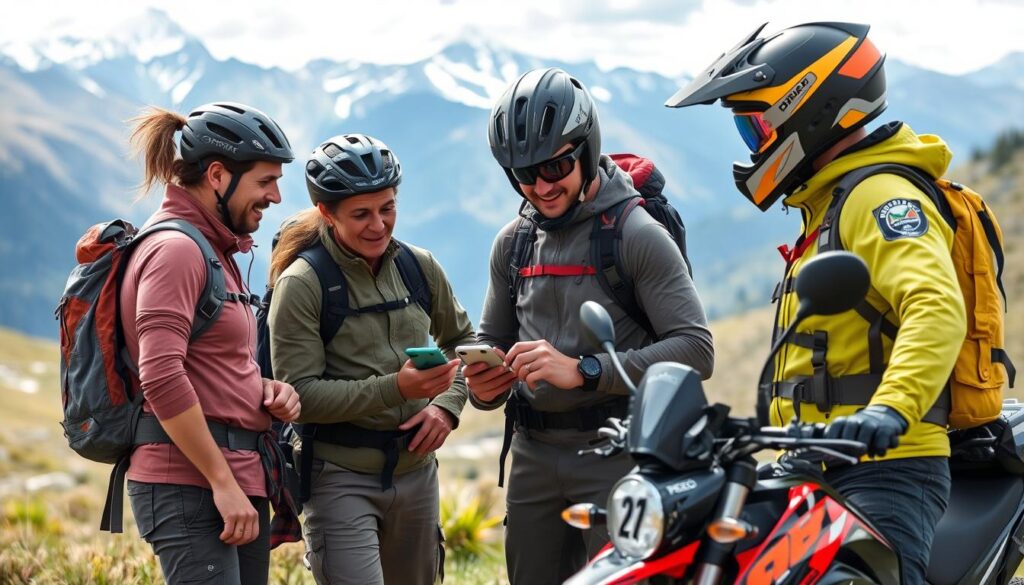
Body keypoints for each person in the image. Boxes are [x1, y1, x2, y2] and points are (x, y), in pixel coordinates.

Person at [665, 22, 965, 584]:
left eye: (755, 126)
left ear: (810, 107)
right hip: (818, 461)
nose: (752, 145)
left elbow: (935, 304)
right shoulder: (829, 199)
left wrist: (890, 410)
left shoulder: (879, 195)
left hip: (887, 468)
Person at [466, 67, 715, 585]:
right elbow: (493, 340)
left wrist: (585, 369)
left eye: (554, 166)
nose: (539, 186)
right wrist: (484, 384)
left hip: (618, 453)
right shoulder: (513, 243)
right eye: (522, 174)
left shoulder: (636, 234)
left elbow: (696, 350)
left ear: (585, 148)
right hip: (533, 457)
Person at [268, 133, 477, 585]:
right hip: (338, 477)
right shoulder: (303, 283)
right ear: (326, 212)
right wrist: (397, 389)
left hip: (418, 474)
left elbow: (463, 342)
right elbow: (298, 395)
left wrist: (446, 408)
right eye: (361, 214)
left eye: (388, 209)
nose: (379, 225)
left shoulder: (419, 266)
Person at [122, 102, 301, 585]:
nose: (277, 196)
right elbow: (160, 375)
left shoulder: (213, 249)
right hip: (192, 484)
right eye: (266, 181)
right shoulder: (176, 251)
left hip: (234, 477)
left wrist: (262, 389)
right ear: (218, 175)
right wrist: (221, 481)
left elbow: (207, 363)